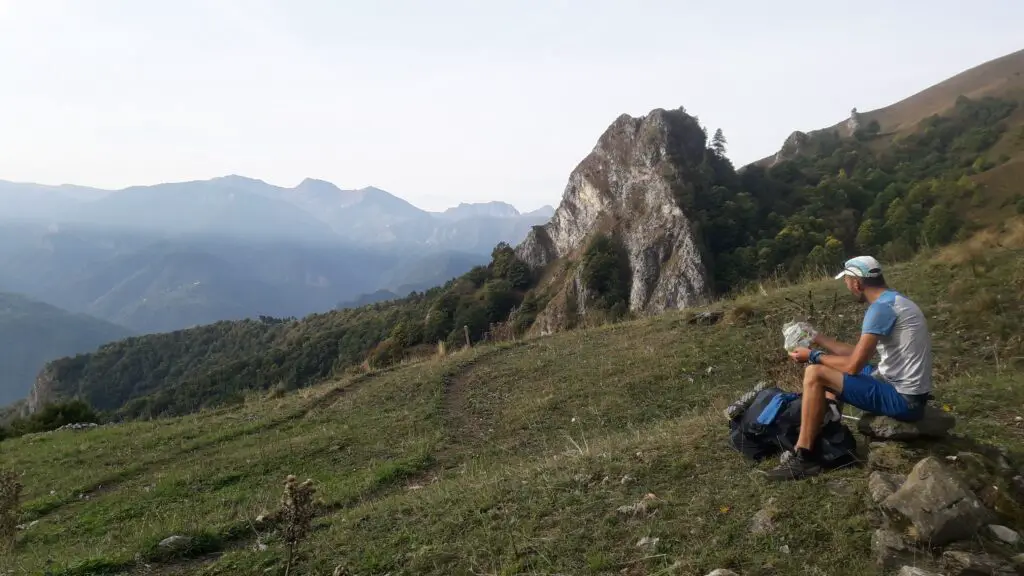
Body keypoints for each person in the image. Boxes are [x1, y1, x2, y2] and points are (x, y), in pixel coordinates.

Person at [764, 256, 934, 481]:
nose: (846, 286)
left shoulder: (880, 310)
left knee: (815, 373)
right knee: (827, 367)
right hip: (902, 388)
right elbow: (857, 354)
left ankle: (803, 457)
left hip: (904, 399)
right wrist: (817, 338)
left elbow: (853, 366)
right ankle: (829, 435)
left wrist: (812, 356)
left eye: (846, 280)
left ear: (857, 283)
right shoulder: (896, 301)